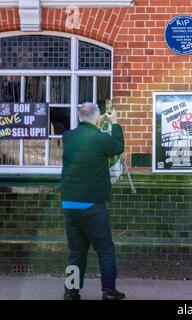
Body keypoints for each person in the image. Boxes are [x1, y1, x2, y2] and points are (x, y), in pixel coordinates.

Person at [61, 102, 125, 300]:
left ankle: (71, 292)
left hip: (69, 204)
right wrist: (114, 123)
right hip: (92, 205)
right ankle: (108, 291)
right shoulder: (100, 139)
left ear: (80, 117)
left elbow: (88, 137)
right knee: (105, 249)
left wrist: (98, 123)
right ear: (97, 119)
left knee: (76, 251)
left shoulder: (68, 137)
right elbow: (118, 147)